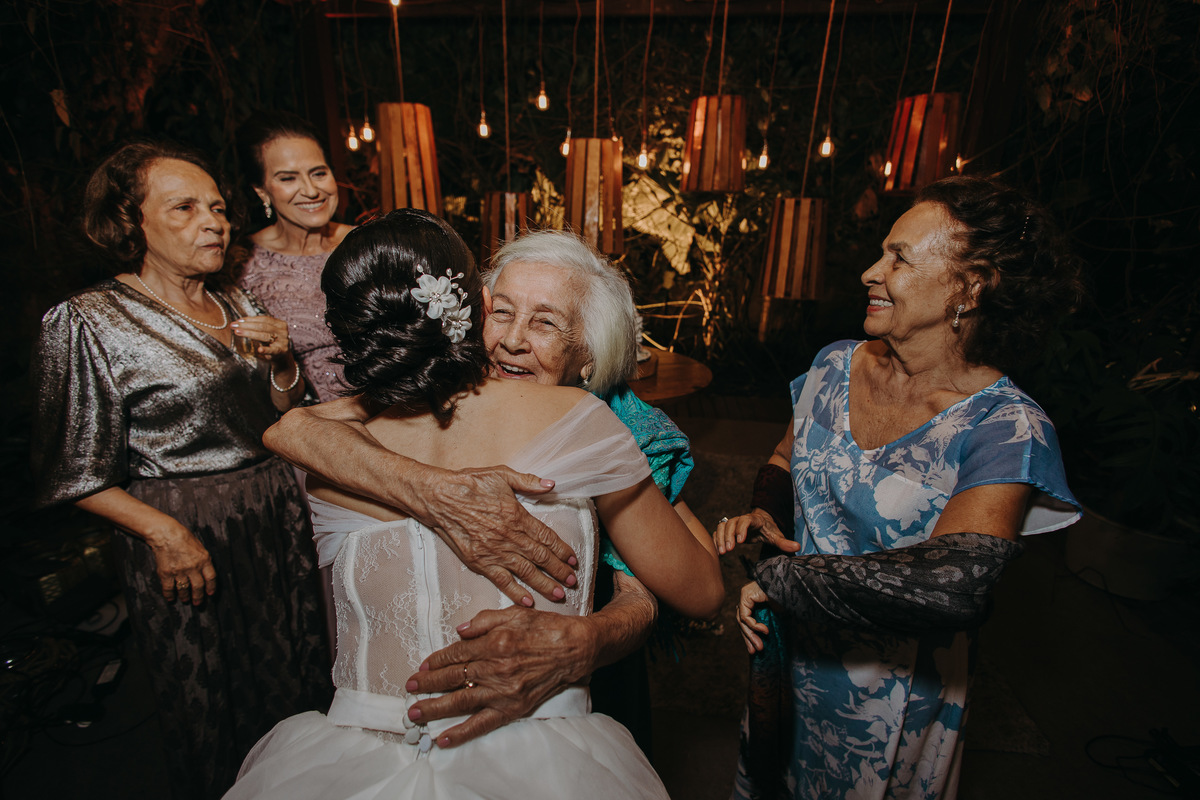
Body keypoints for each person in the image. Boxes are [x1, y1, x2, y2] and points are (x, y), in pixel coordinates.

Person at [223, 209, 723, 799]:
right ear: (475, 310)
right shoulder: (583, 422)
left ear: (589, 351)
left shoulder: (341, 448)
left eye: (544, 323)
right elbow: (295, 428)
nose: (512, 338)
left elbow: (293, 428)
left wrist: (611, 617)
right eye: (504, 312)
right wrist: (434, 490)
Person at [714, 176, 1084, 800]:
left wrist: (782, 580)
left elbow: (953, 583)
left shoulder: (1006, 426)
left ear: (973, 286)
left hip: (897, 693)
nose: (869, 271)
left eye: (899, 258)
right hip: (790, 656)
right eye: (882, 251)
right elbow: (786, 453)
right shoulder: (835, 365)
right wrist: (765, 511)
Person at [30, 141, 332, 800]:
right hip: (183, 527)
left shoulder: (237, 300)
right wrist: (164, 535)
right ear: (130, 222)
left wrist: (283, 362)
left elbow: (285, 412)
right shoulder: (86, 320)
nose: (215, 223)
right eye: (186, 207)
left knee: (296, 679)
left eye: (219, 208)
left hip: (274, 510)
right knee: (209, 698)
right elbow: (73, 472)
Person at [233, 111, 353, 402]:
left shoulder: (370, 242)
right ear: (261, 191)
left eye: (319, 173)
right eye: (288, 178)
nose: (312, 191)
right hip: (302, 421)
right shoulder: (241, 263)